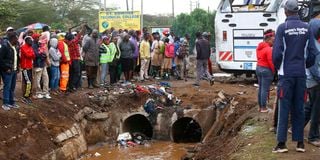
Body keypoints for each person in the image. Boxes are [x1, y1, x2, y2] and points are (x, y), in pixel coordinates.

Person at [272, 0, 319, 153]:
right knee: (299, 108)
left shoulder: (282, 28)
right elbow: (312, 52)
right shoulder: (306, 28)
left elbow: (277, 53)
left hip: (286, 75)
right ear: (298, 11)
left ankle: (281, 144)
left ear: (286, 11)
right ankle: (300, 143)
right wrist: (304, 65)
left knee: (284, 108)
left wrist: (278, 67)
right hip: (301, 75)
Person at [304, 12, 320, 147]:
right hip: (315, 82)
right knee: (316, 109)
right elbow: (314, 68)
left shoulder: (311, 42)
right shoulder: (314, 46)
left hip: (311, 81)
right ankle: (313, 136)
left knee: (310, 107)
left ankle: (295, 127)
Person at [256, 29, 275, 113]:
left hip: (258, 68)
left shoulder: (259, 47)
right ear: (268, 39)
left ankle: (260, 106)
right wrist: (273, 70)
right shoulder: (268, 49)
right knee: (265, 89)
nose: (274, 41)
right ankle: (264, 108)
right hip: (266, 69)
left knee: (261, 88)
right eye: (273, 39)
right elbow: (270, 61)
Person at [0, 32, 20, 110]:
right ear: (12, 38)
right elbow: (1, 59)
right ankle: (5, 103)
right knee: (7, 87)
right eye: (16, 38)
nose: (17, 40)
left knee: (12, 87)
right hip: (7, 70)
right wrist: (6, 68)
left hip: (14, 70)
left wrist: (17, 67)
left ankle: (12, 102)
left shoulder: (15, 47)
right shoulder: (5, 46)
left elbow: (16, 58)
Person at [65, 25, 86, 91]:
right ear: (72, 38)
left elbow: (73, 36)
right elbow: (79, 35)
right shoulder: (73, 42)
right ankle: (73, 86)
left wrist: (69, 30)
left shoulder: (66, 42)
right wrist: (83, 28)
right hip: (75, 59)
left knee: (71, 73)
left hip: (70, 60)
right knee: (77, 73)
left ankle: (71, 86)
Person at [32, 33, 51, 99]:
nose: (39, 38)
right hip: (37, 64)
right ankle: (38, 92)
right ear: (35, 38)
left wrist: (43, 55)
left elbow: (44, 53)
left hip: (42, 64)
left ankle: (45, 92)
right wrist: (43, 55)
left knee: (46, 78)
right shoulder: (33, 45)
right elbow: (37, 54)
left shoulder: (40, 44)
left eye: (39, 37)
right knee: (37, 79)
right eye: (38, 37)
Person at [20, 36, 35, 104]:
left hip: (30, 67)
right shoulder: (23, 47)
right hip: (25, 67)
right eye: (30, 40)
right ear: (26, 41)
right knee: (28, 82)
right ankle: (25, 97)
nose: (32, 42)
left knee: (30, 82)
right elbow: (28, 55)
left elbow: (33, 55)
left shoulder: (30, 47)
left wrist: (31, 54)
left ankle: (28, 96)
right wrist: (31, 54)